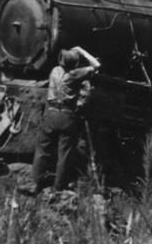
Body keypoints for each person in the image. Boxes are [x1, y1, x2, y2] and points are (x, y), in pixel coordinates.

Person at [32, 47, 101, 193]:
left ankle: (36, 183)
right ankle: (58, 188)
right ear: (75, 64)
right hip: (66, 116)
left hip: (50, 113)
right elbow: (97, 66)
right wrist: (82, 51)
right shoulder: (75, 74)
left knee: (42, 149)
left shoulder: (54, 71)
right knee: (64, 153)